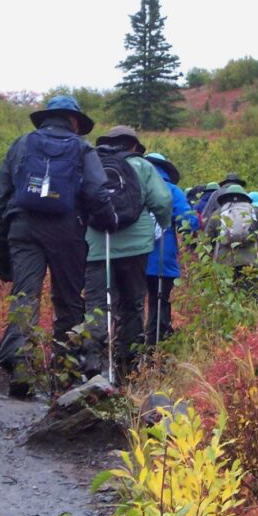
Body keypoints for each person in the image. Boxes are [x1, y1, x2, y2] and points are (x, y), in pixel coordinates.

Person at [0, 96, 118, 398]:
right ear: (74, 121)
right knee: (69, 301)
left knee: (25, 296)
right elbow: (97, 192)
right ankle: (66, 374)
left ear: (47, 117)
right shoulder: (82, 148)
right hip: (66, 231)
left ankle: (22, 370)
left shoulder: (21, 144)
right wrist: (107, 219)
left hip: (22, 228)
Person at [82, 126, 171, 381]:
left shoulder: (91, 164)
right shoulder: (142, 166)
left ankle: (92, 363)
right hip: (135, 247)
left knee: (96, 305)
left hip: (96, 246)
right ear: (133, 145)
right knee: (130, 305)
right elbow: (162, 201)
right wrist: (163, 223)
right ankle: (126, 366)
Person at [144, 152, 199, 346]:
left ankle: (126, 350)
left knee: (129, 304)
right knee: (159, 301)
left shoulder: (133, 185)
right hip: (161, 257)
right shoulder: (172, 191)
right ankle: (156, 346)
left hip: (130, 256)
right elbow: (188, 223)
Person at [204, 185, 258, 286]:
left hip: (225, 264)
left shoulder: (217, 214)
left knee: (227, 296)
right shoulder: (255, 211)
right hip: (251, 262)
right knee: (252, 295)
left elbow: (206, 242)